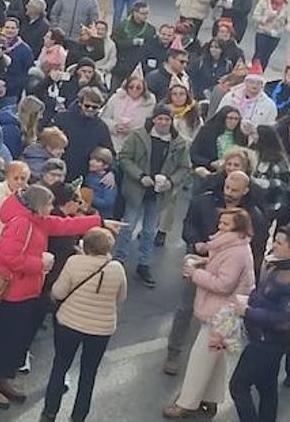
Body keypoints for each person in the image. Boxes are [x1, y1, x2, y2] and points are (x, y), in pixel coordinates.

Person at [0, 184, 108, 409]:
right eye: (49, 204)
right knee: (4, 339)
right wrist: (40, 264)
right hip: (14, 294)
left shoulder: (34, 219)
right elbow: (7, 258)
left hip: (27, 292)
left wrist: (100, 223)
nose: (52, 207)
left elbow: (65, 225)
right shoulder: (21, 223)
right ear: (38, 205)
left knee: (17, 340)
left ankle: (2, 378)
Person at [163, 208, 256, 418]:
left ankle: (186, 404)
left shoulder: (234, 251)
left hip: (221, 313)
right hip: (227, 313)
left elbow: (224, 284)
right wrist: (205, 263)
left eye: (226, 224)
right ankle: (210, 398)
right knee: (215, 357)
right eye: (221, 222)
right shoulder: (235, 246)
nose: (220, 227)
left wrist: (196, 273)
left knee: (200, 359)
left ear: (237, 228)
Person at [40, 226, 127, 422]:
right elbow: (121, 297)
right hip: (101, 329)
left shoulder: (73, 262)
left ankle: (49, 412)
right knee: (89, 373)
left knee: (60, 367)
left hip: (70, 324)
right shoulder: (117, 268)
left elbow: (59, 292)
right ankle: (78, 416)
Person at [115, 106, 190, 288]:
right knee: (127, 226)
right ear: (154, 120)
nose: (163, 123)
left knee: (149, 231)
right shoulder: (138, 136)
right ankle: (119, 260)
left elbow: (184, 168)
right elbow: (124, 158)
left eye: (167, 119)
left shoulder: (179, 143)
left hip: (159, 194)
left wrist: (170, 181)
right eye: (160, 119)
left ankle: (144, 264)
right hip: (136, 189)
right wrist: (140, 176)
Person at [228, 225, 289, 422]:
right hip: (264, 339)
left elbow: (283, 319)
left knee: (238, 386)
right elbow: (262, 294)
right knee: (267, 386)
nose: (275, 246)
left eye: (280, 243)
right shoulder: (278, 265)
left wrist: (248, 311)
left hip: (267, 343)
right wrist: (249, 301)